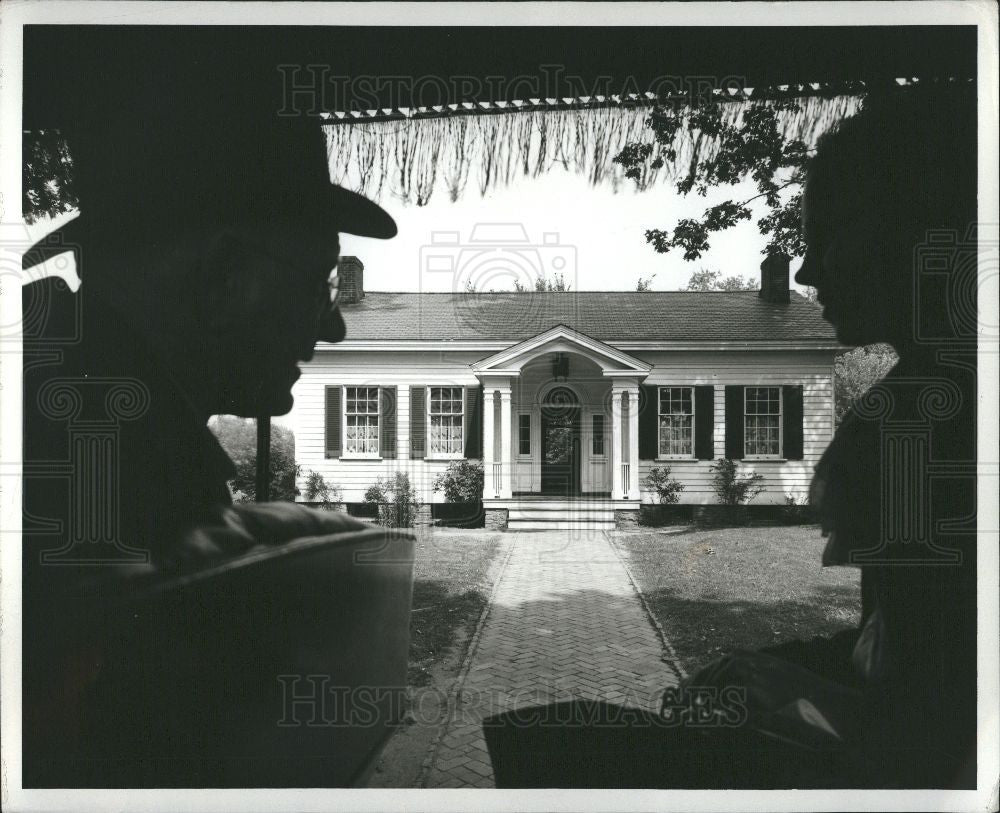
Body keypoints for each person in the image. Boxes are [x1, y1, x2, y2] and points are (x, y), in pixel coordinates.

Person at [483, 81, 978, 788]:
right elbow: (906, 649)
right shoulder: (925, 402)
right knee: (555, 739)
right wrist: (776, 669)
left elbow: (938, 735)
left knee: (562, 751)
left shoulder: (949, 432)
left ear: (910, 227)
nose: (806, 269)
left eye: (830, 232)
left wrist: (799, 698)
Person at [21, 60, 401, 784]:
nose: (333, 325)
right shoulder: (79, 461)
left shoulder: (60, 381)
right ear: (224, 278)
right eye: (318, 281)